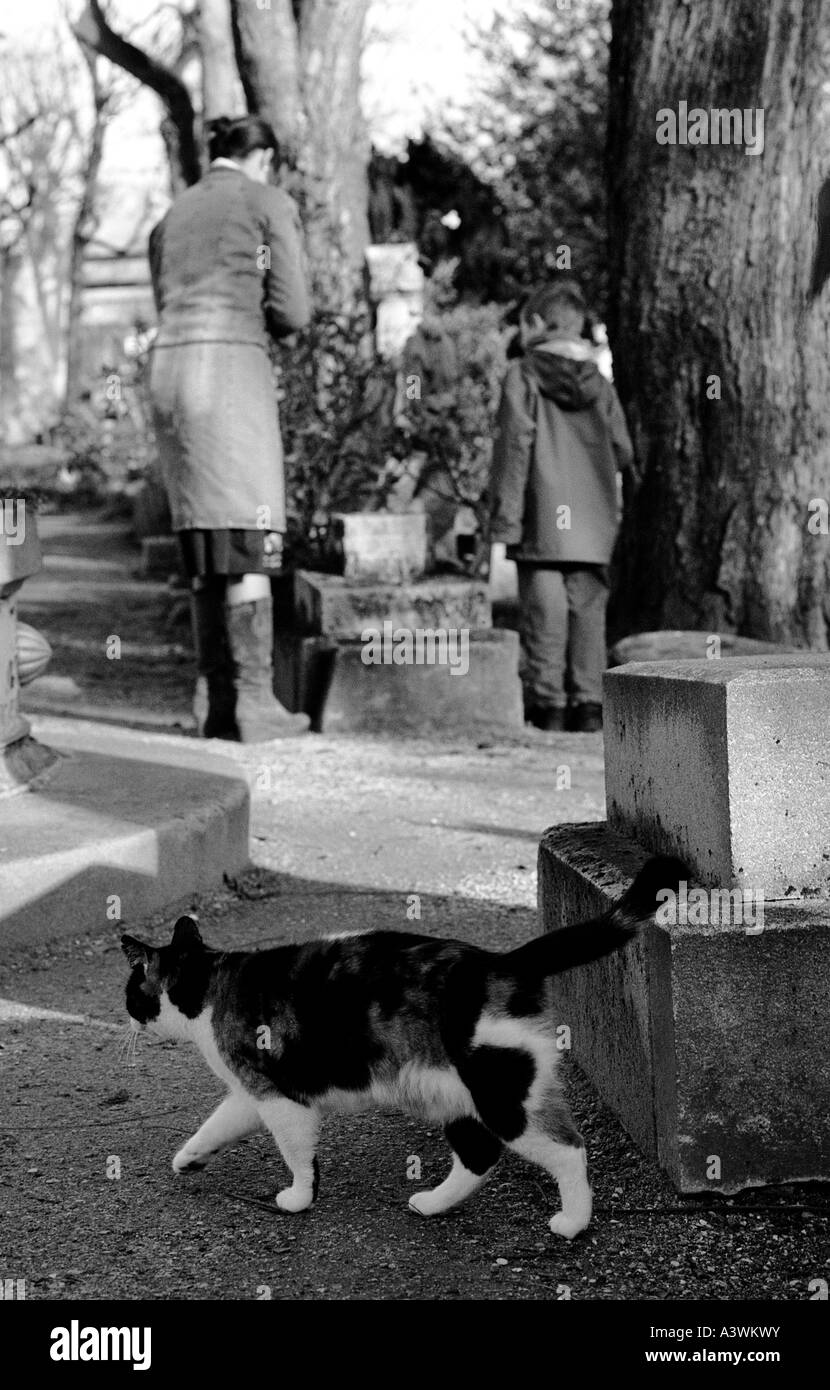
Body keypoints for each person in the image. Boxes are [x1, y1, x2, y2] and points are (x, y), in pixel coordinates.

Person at [148, 114, 311, 741]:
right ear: (262, 156)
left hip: (169, 374)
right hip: (229, 369)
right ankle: (253, 702)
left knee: (201, 537)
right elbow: (292, 310)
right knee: (248, 526)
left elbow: (164, 298)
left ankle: (214, 700)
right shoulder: (265, 201)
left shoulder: (173, 213)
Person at [489, 280, 637, 732]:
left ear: (536, 323)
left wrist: (504, 521)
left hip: (541, 518)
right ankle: (589, 704)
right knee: (588, 611)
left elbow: (513, 449)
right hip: (592, 523)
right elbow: (624, 450)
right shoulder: (601, 384)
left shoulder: (523, 375)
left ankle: (548, 704)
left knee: (544, 611)